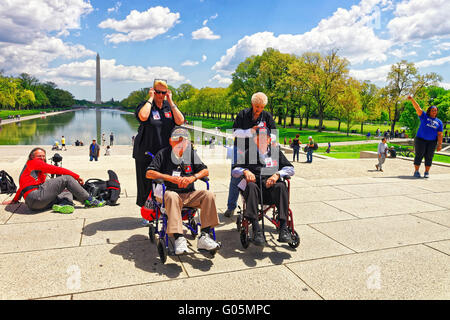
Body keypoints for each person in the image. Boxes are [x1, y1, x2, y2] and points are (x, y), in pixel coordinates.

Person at [145, 127, 220, 255]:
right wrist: (170, 178)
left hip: (189, 193)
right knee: (171, 196)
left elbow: (205, 170)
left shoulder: (190, 154)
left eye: (183, 140)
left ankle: (205, 236)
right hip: (169, 192)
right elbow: (149, 173)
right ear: (170, 141)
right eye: (177, 140)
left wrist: (193, 178)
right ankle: (179, 237)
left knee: (209, 195)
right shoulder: (163, 154)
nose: (180, 143)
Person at [231, 128, 295, 246]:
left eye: (265, 138)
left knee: (281, 186)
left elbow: (291, 169)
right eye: (259, 138)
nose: (262, 141)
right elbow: (234, 170)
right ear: (255, 140)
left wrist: (277, 175)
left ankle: (283, 228)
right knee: (250, 186)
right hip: (255, 191)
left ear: (269, 140)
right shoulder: (249, 153)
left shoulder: (276, 152)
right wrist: (245, 171)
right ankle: (256, 229)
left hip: (271, 191)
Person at [223, 92, 276, 218]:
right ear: (252, 104)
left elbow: (274, 134)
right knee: (236, 177)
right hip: (241, 148)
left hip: (258, 149)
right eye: (257, 106)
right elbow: (235, 132)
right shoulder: (243, 114)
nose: (259, 109)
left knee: (261, 175)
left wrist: (267, 137)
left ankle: (259, 204)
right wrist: (250, 131)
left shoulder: (267, 116)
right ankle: (231, 206)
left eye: (262, 107)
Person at [132, 79, 184, 208]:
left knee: (164, 182)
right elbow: (143, 117)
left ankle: (161, 209)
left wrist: (171, 101)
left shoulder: (168, 106)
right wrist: (150, 99)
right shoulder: (145, 105)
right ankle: (146, 211)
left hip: (164, 153)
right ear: (153, 91)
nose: (160, 95)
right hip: (146, 152)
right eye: (158, 92)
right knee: (146, 184)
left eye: (163, 92)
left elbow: (180, 121)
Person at [4, 148, 105, 213]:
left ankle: (66, 204)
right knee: (67, 179)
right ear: (32, 157)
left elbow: (22, 187)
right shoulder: (32, 163)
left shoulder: (29, 169)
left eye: (43, 156)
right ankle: (89, 201)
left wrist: (15, 200)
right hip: (36, 197)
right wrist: (75, 176)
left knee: (66, 190)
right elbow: (55, 169)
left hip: (33, 205)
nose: (42, 158)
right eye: (39, 156)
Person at [407, 96, 443, 178]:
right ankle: (416, 171)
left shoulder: (439, 122)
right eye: (432, 110)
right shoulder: (424, 116)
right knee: (419, 155)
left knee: (429, 156)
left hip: (432, 142)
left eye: (435, 110)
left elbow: (440, 134)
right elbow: (417, 108)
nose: (434, 111)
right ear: (429, 111)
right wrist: (412, 99)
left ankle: (427, 172)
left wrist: (439, 144)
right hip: (420, 140)